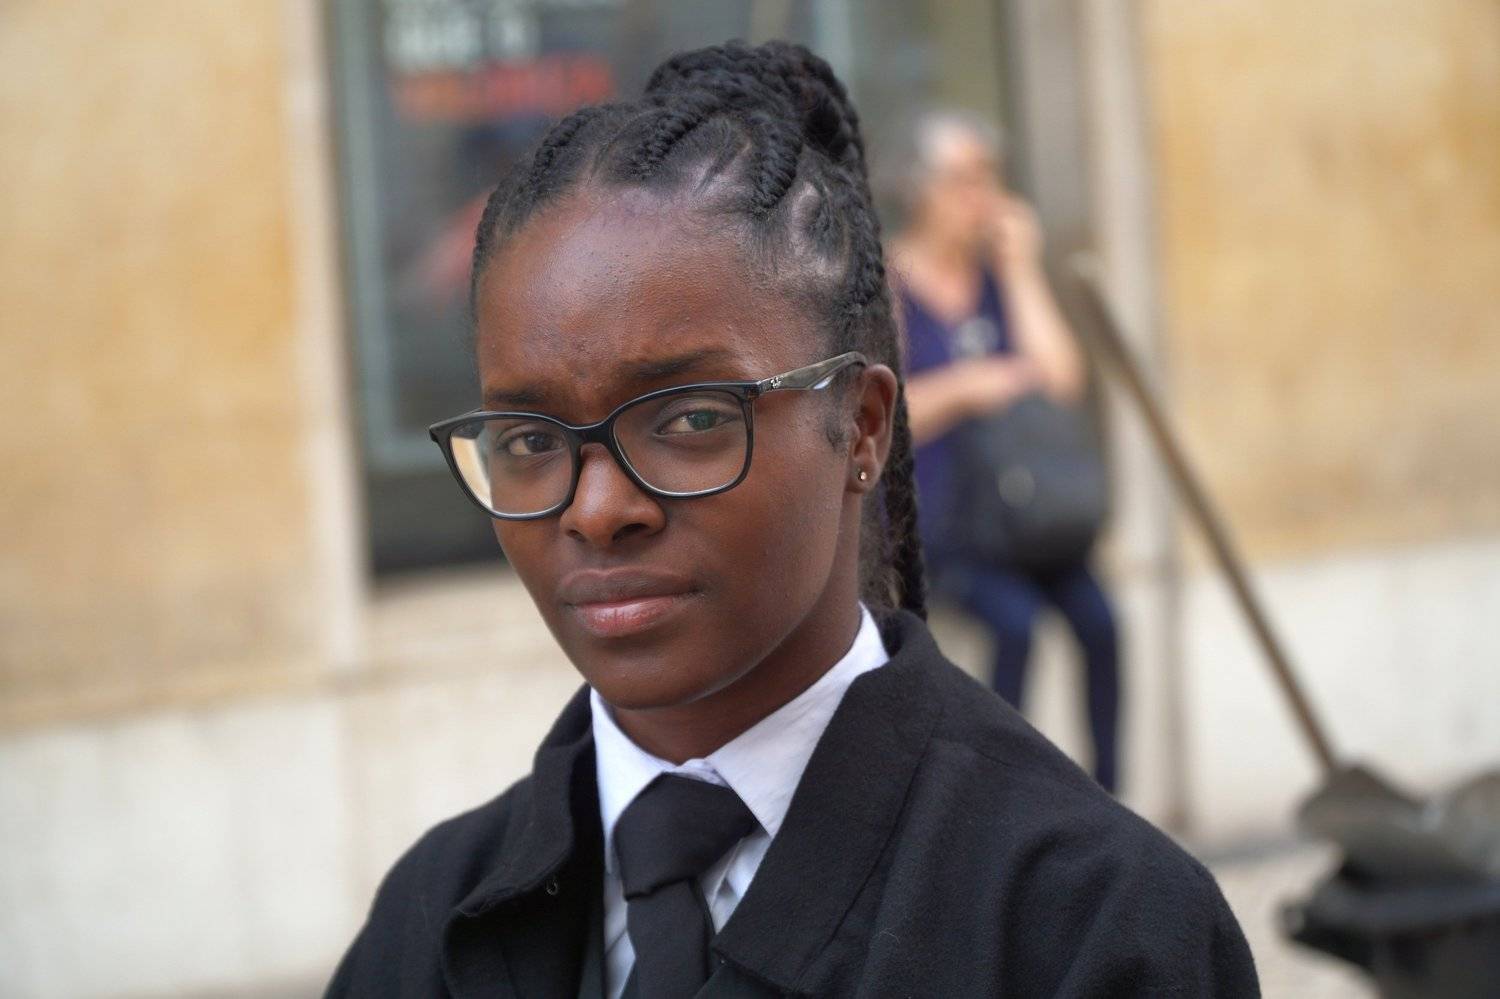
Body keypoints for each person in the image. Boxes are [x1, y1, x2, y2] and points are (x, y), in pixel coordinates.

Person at [327, 42, 1256, 998]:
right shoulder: (428, 923)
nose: (596, 510)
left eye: (691, 420)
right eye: (529, 439)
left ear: (861, 426)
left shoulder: (1093, 927)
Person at [888, 111, 1123, 794]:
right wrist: (968, 387)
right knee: (1016, 625)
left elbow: (1063, 380)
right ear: (921, 189)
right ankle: (997, 801)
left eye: (989, 177)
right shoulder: (890, 281)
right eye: (964, 179)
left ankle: (1111, 798)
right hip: (946, 524)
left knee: (1103, 623)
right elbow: (882, 414)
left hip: (1024, 515)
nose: (982, 195)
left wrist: (1022, 269)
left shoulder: (998, 279)